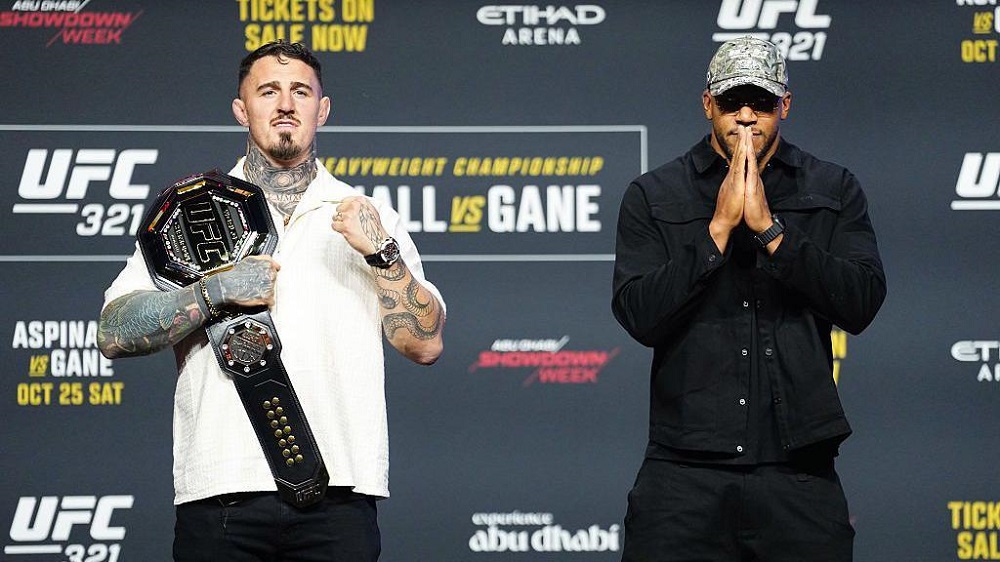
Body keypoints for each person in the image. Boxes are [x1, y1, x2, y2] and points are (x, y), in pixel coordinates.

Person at [97, 40, 445, 561]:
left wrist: (381, 252)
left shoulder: (371, 216)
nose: (285, 104)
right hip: (220, 491)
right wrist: (213, 292)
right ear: (242, 110)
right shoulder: (190, 212)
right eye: (268, 91)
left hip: (340, 495)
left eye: (301, 92)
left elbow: (425, 344)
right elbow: (113, 331)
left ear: (322, 110)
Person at [611, 36, 885, 561]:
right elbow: (639, 314)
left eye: (760, 102)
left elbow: (862, 302)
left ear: (785, 104)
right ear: (707, 104)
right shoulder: (655, 194)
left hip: (798, 471)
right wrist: (717, 231)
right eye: (731, 101)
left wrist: (771, 233)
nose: (745, 116)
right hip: (684, 472)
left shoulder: (833, 188)